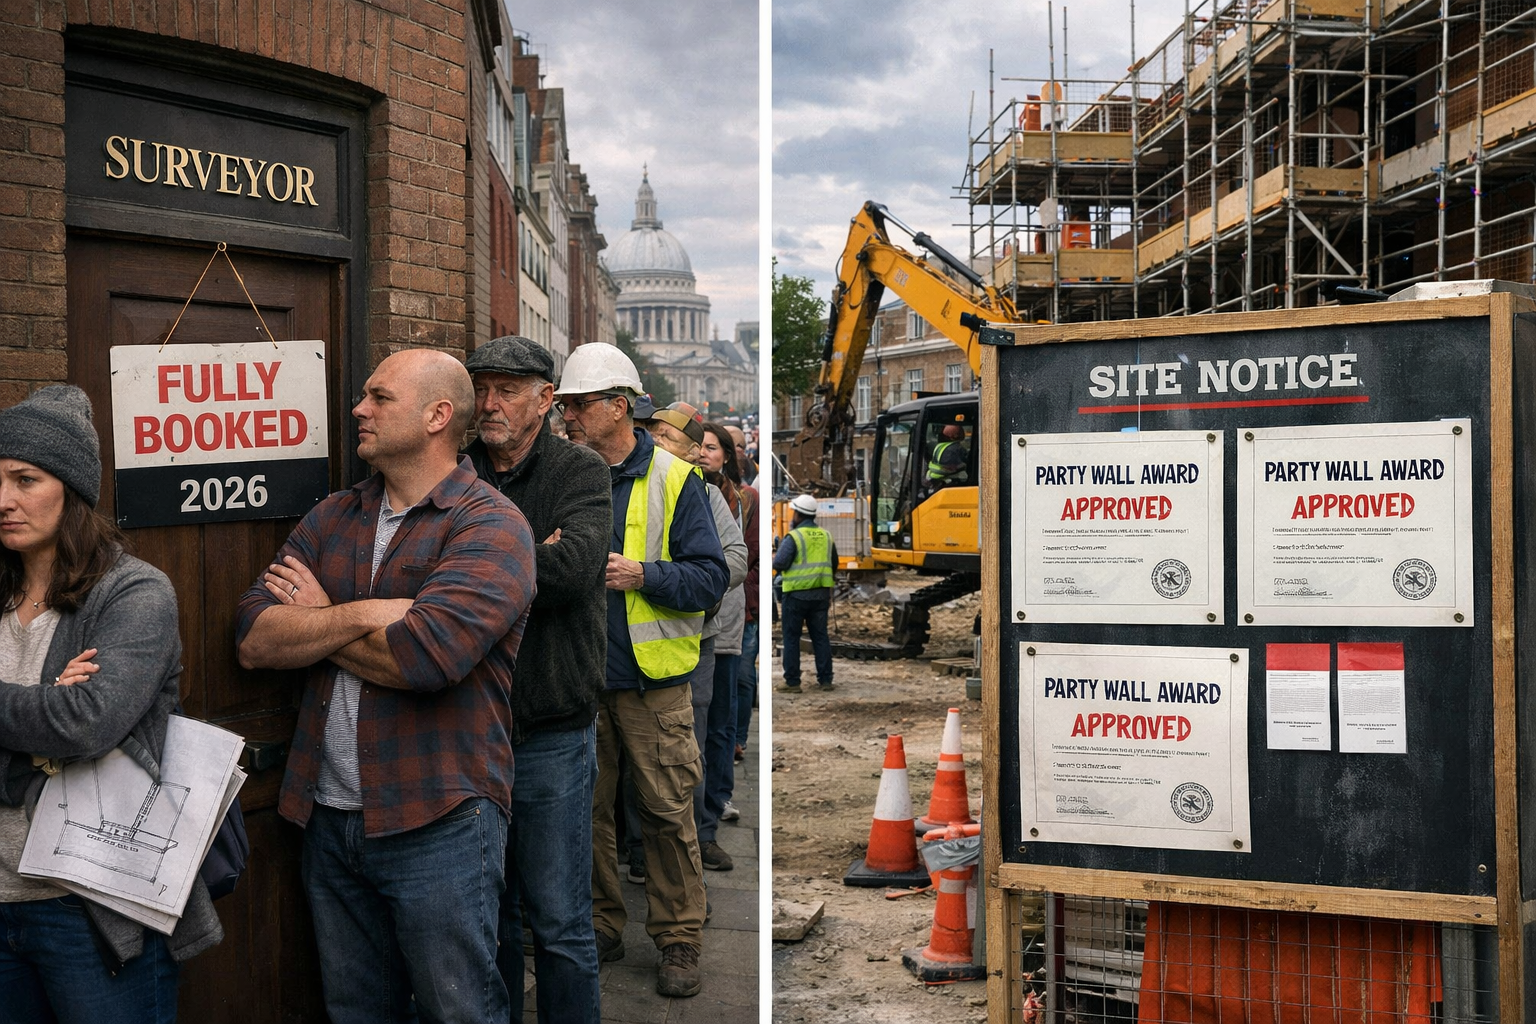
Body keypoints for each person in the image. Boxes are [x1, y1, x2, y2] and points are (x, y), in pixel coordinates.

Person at [235, 349, 536, 1024]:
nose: (358, 410)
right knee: (356, 1010)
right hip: (329, 815)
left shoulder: (490, 525)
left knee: (458, 1010)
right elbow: (255, 639)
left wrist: (315, 621)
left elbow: (425, 660)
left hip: (441, 816)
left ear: (437, 416)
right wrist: (373, 613)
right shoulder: (334, 517)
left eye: (379, 398)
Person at [0, 385, 222, 1023]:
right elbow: (61, 725)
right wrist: (42, 713)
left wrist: (61, 722)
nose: (5, 499)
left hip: (89, 900)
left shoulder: (132, 593)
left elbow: (88, 721)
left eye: (25, 479)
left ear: (71, 489)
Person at [558, 343, 728, 999]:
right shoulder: (565, 473)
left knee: (664, 814)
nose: (567, 415)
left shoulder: (675, 479)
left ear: (618, 407)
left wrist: (642, 575)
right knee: (589, 818)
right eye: (566, 404)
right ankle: (602, 926)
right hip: (580, 680)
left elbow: (711, 577)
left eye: (578, 404)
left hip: (654, 686)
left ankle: (679, 937)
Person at [463, 336, 610, 1024]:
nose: (490, 403)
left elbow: (576, 571)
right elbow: (426, 576)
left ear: (545, 399)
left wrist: (477, 561)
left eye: (508, 390)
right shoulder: (457, 469)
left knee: (559, 923)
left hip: (552, 726)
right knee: (489, 920)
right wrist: (530, 548)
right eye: (482, 388)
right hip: (468, 730)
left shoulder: (578, 470)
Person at [648, 405, 747, 874]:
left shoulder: (704, 494)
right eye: (653, 434)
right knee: (641, 753)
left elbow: (736, 558)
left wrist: (694, 586)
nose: (655, 443)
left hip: (693, 639)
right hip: (636, 643)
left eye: (666, 437)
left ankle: (702, 835)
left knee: (697, 740)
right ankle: (643, 850)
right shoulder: (631, 486)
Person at [697, 421, 755, 829]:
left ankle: (716, 800)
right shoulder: (687, 488)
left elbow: (743, 560)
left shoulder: (741, 499)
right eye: (700, 446)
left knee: (721, 720)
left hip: (730, 619)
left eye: (713, 448)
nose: (704, 453)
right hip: (695, 623)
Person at [774, 493, 837, 692]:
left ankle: (792, 682)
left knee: (791, 638)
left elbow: (780, 563)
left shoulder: (794, 537)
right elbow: (833, 563)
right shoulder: (826, 536)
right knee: (820, 637)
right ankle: (825, 680)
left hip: (796, 596)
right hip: (820, 596)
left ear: (799, 515)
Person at [927, 423, 969, 491]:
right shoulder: (957, 449)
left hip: (936, 481)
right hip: (951, 483)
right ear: (956, 435)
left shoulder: (939, 446)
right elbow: (969, 464)